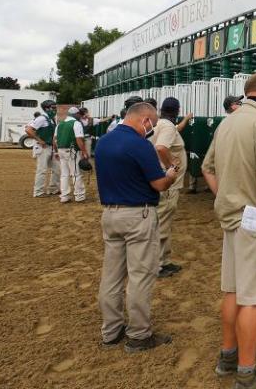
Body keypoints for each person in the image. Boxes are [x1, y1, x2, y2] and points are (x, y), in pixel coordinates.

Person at [202, 73, 256, 389]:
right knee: (254, 298)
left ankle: (228, 358)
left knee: (233, 291)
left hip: (231, 220)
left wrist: (225, 195)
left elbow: (206, 168)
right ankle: (246, 375)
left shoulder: (228, 121)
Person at [95, 102, 180, 352]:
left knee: (111, 276)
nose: (151, 128)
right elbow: (158, 184)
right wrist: (172, 175)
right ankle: (139, 335)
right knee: (140, 276)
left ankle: (111, 331)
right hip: (138, 215)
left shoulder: (104, 141)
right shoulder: (140, 145)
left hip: (110, 214)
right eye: (151, 124)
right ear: (144, 120)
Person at [151, 97, 187, 278]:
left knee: (163, 223)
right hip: (169, 186)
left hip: (168, 184)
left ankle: (163, 261)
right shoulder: (166, 126)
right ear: (176, 110)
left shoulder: (163, 124)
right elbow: (161, 148)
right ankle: (157, 265)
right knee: (162, 224)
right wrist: (171, 166)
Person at [54, 106, 89, 203]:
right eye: (79, 114)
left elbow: (55, 140)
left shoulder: (60, 124)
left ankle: (64, 196)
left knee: (64, 175)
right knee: (76, 174)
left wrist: (55, 151)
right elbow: (79, 139)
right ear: (76, 114)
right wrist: (85, 152)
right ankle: (79, 196)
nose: (80, 116)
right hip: (72, 150)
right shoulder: (76, 123)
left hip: (61, 150)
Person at [26, 100, 60, 197]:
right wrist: (39, 140)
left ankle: (53, 189)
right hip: (42, 147)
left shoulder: (51, 118)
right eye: (53, 107)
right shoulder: (42, 118)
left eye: (55, 107)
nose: (55, 109)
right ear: (46, 108)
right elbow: (28, 129)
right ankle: (38, 192)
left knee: (57, 169)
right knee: (42, 170)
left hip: (51, 147)